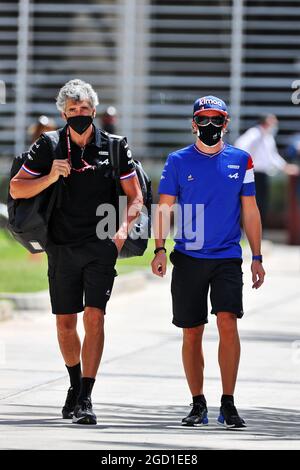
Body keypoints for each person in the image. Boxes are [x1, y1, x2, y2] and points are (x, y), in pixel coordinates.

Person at [10, 79, 143, 425]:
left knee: (94, 316)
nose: (79, 115)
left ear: (94, 111)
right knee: (66, 323)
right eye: (72, 111)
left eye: (84, 110)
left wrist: (120, 234)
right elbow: (17, 188)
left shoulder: (115, 147)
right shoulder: (49, 145)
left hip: (101, 245)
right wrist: (50, 176)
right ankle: (73, 383)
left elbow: (136, 196)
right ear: (63, 113)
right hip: (61, 246)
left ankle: (86, 396)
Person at [151, 95, 265, 429]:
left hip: (227, 256)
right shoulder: (177, 161)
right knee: (192, 332)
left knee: (228, 321)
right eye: (204, 119)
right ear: (193, 124)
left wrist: (256, 256)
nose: (210, 126)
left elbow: (250, 209)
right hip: (188, 257)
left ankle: (228, 403)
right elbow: (164, 207)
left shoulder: (241, 160)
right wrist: (159, 249)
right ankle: (197, 402)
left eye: (217, 120)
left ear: (226, 123)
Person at [235, 114, 299, 227]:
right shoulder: (254, 134)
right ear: (265, 123)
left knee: (261, 204)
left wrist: (285, 167)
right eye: (272, 122)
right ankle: (244, 231)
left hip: (262, 174)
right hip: (252, 174)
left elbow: (272, 157)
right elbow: (240, 146)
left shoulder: (268, 137)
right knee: (251, 203)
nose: (274, 126)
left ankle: (258, 231)